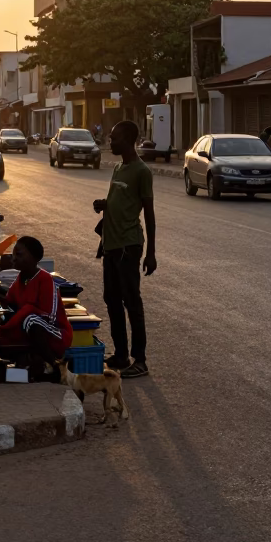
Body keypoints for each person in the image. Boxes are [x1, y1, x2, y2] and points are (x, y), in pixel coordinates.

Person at [94, 118, 156, 379]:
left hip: (129, 246)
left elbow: (149, 214)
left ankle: (139, 359)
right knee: (112, 300)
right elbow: (118, 201)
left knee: (132, 302)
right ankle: (121, 355)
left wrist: (151, 252)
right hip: (111, 245)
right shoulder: (118, 168)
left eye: (115, 138)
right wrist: (103, 204)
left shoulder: (142, 171)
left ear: (128, 140)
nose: (111, 141)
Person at [0, 236, 73, 377]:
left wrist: (25, 312)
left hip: (55, 333)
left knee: (30, 320)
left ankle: (54, 364)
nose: (14, 258)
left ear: (34, 258)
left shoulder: (45, 279)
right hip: (32, 332)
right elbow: (10, 304)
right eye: (13, 254)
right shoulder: (20, 280)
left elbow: (50, 318)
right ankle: (31, 368)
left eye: (19, 255)